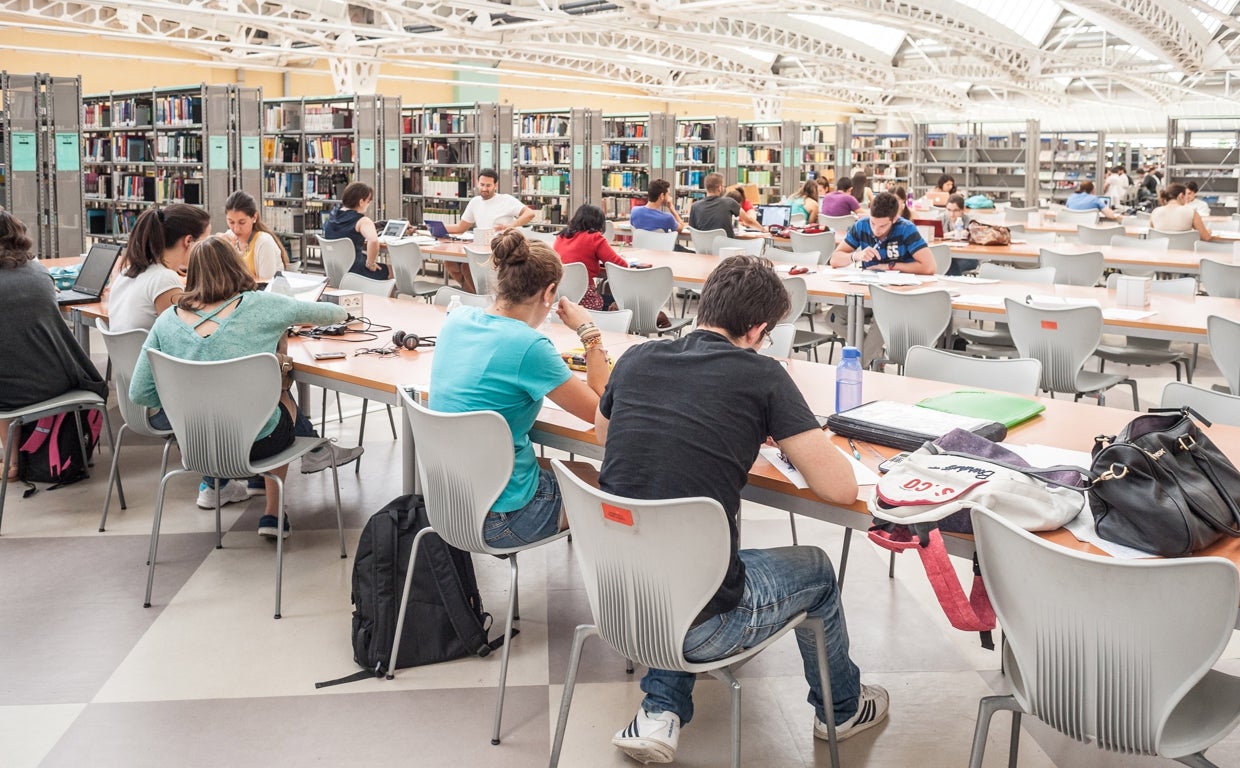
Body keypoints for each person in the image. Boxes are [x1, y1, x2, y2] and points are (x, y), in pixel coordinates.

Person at [596, 254, 887, 765]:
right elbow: (840, 489)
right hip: (704, 624)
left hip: (619, 598)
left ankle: (660, 710)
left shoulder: (637, 358)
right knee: (816, 568)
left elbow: (605, 435)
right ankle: (840, 710)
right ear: (757, 329)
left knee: (683, 550)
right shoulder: (763, 376)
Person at [130, 236, 361, 538]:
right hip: (259, 444)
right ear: (235, 266)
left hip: (196, 445)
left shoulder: (166, 321)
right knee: (279, 393)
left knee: (230, 400)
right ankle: (273, 514)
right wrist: (344, 313)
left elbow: (140, 392)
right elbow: (333, 315)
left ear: (191, 274)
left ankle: (220, 484)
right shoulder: (261, 305)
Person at [430, 230, 609, 548]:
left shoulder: (457, 319)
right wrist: (589, 333)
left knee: (581, 469)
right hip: (503, 519)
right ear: (549, 292)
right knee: (611, 488)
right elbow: (600, 416)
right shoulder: (529, 345)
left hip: (452, 502)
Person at [0, 210, 109, 481]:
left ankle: (11, 461)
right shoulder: (37, 270)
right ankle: (13, 459)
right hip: (63, 376)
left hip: (19, 391)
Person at [828, 192, 934, 367]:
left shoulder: (906, 229)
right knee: (833, 317)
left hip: (896, 297)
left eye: (883, 226)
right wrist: (856, 255)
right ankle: (874, 354)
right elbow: (835, 259)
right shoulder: (861, 226)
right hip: (866, 295)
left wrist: (891, 266)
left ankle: (858, 368)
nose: (876, 230)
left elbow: (929, 267)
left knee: (880, 323)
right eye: (873, 223)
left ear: (894, 219)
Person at [108, 204, 211, 332]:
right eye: (205, 242)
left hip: (124, 352)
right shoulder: (164, 279)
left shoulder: (126, 273)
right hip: (150, 352)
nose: (208, 249)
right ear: (188, 241)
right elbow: (183, 336)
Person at [445, 168, 536, 292]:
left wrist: (512, 226)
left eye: (488, 185)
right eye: (482, 185)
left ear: (495, 185)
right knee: (449, 262)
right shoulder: (475, 202)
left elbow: (529, 213)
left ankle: (477, 295)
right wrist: (436, 227)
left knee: (467, 267)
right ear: (477, 184)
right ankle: (473, 293)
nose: (484, 188)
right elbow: (461, 227)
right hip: (481, 248)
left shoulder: (506, 200)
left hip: (503, 249)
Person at [554, 204, 628, 310]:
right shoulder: (594, 238)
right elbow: (622, 265)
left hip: (560, 297)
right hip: (585, 300)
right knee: (621, 302)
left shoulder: (561, 236)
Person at [322, 182, 389, 281]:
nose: (369, 204)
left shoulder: (332, 216)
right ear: (361, 202)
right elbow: (373, 240)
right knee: (390, 272)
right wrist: (370, 263)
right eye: (368, 201)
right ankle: (382, 296)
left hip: (334, 269)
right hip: (355, 271)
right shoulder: (363, 221)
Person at [223, 190, 289, 282]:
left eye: (242, 222)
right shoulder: (228, 237)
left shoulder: (264, 242)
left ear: (254, 217)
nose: (236, 228)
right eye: (231, 222)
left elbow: (266, 282)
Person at [1150, 183, 1216, 241]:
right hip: (1186, 253)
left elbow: (1151, 235)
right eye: (1185, 195)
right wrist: (1208, 232)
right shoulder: (1191, 212)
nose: (1186, 198)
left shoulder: (1155, 212)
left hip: (1160, 253)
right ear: (1181, 195)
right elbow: (1206, 237)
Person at [688, 173, 740, 238]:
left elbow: (692, 230)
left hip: (703, 247)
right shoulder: (729, 202)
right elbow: (748, 219)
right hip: (725, 246)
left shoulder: (695, 206)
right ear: (720, 188)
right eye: (723, 186)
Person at [943, 193, 978, 276]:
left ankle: (952, 287)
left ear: (962, 210)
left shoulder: (970, 222)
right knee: (946, 262)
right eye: (949, 210)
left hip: (968, 257)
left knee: (951, 265)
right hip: (948, 255)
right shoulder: (941, 219)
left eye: (955, 210)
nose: (952, 214)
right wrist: (952, 233)